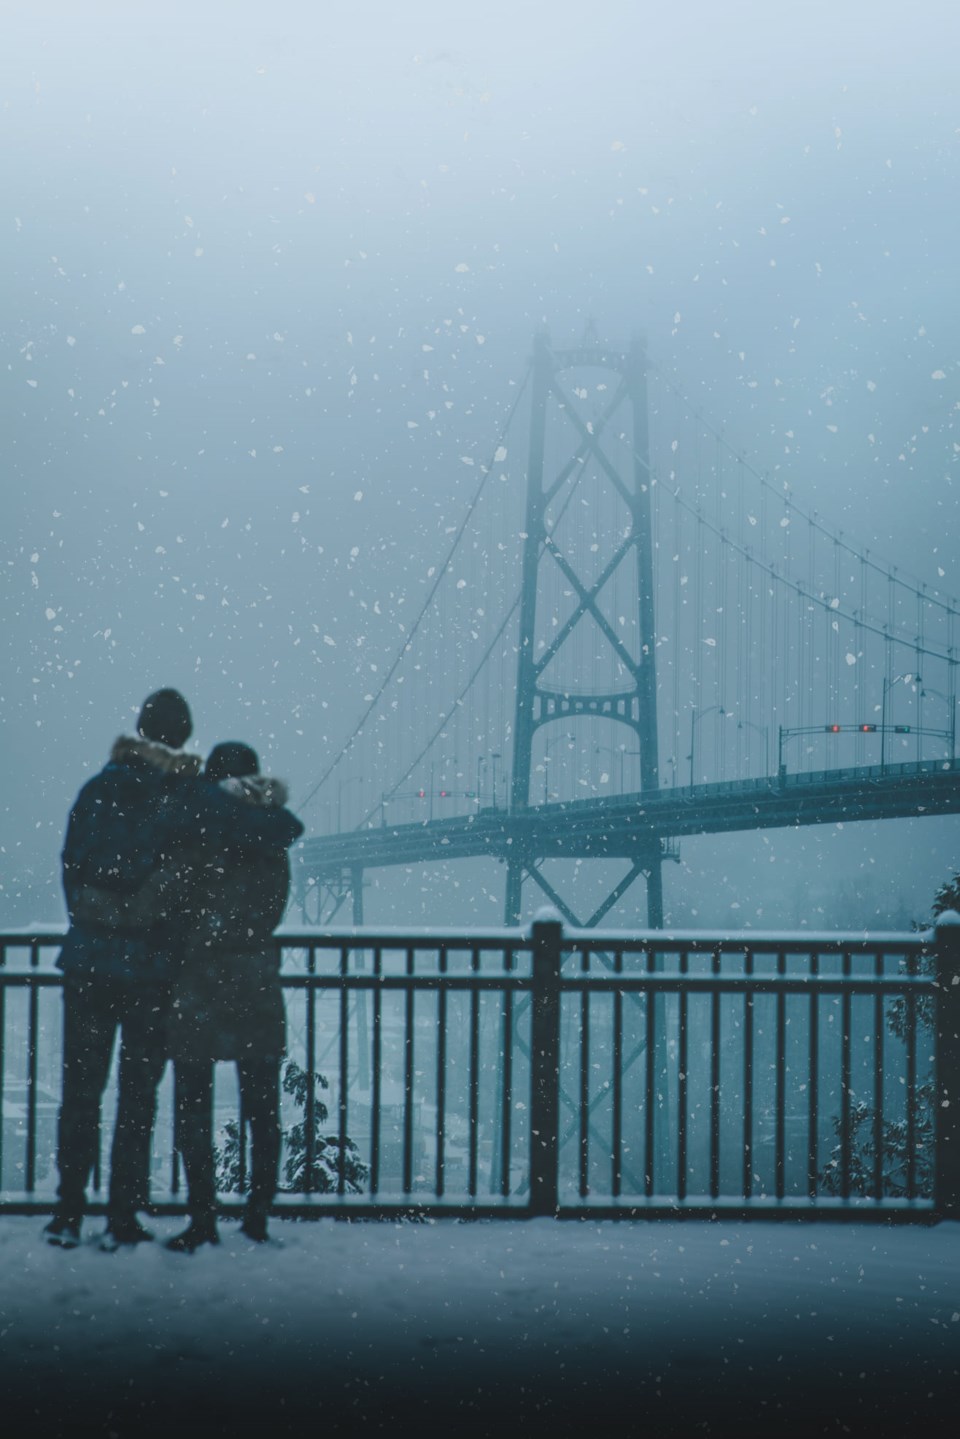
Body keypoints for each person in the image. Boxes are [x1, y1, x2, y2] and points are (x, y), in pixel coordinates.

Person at [45, 691, 302, 1251]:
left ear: (139, 728)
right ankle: (123, 1215)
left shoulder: (95, 790)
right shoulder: (184, 797)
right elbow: (277, 831)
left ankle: (68, 1212)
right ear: (184, 736)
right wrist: (260, 799)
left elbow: (71, 869)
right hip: (152, 973)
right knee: (138, 1099)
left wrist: (96, 921)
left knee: (81, 1092)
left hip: (89, 962)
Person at [166, 742, 301, 1252]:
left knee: (192, 1103)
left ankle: (202, 1219)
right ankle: (258, 1218)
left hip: (197, 980)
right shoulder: (273, 833)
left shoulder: (198, 828)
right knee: (262, 1109)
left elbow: (177, 900)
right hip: (256, 979)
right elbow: (272, 907)